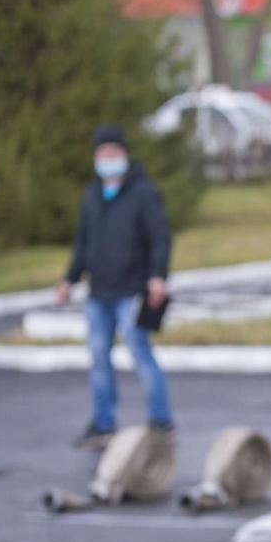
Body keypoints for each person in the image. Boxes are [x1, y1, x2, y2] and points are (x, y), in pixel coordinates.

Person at [56, 125, 174, 448]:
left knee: (140, 353)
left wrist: (157, 277)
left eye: (113, 153)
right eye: (102, 154)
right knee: (98, 359)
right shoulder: (91, 196)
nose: (108, 159)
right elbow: (82, 244)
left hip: (132, 291)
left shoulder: (142, 193)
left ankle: (161, 422)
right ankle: (103, 424)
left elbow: (160, 239)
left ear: (124, 154)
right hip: (99, 294)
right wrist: (69, 279)